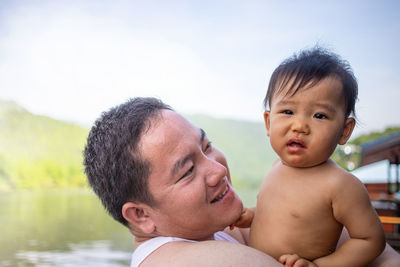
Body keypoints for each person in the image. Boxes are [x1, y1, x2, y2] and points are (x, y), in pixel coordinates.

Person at [83, 97, 400, 267]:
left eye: (206, 146)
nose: (217, 169)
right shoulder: (176, 261)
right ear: (141, 215)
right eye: (187, 171)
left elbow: (372, 247)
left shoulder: (213, 229)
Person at [237, 47, 386, 266]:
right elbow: (281, 213)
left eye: (319, 115)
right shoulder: (277, 166)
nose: (299, 126)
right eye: (288, 112)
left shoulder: (341, 185)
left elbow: (371, 240)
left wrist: (319, 265)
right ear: (269, 122)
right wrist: (251, 215)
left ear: (345, 130)